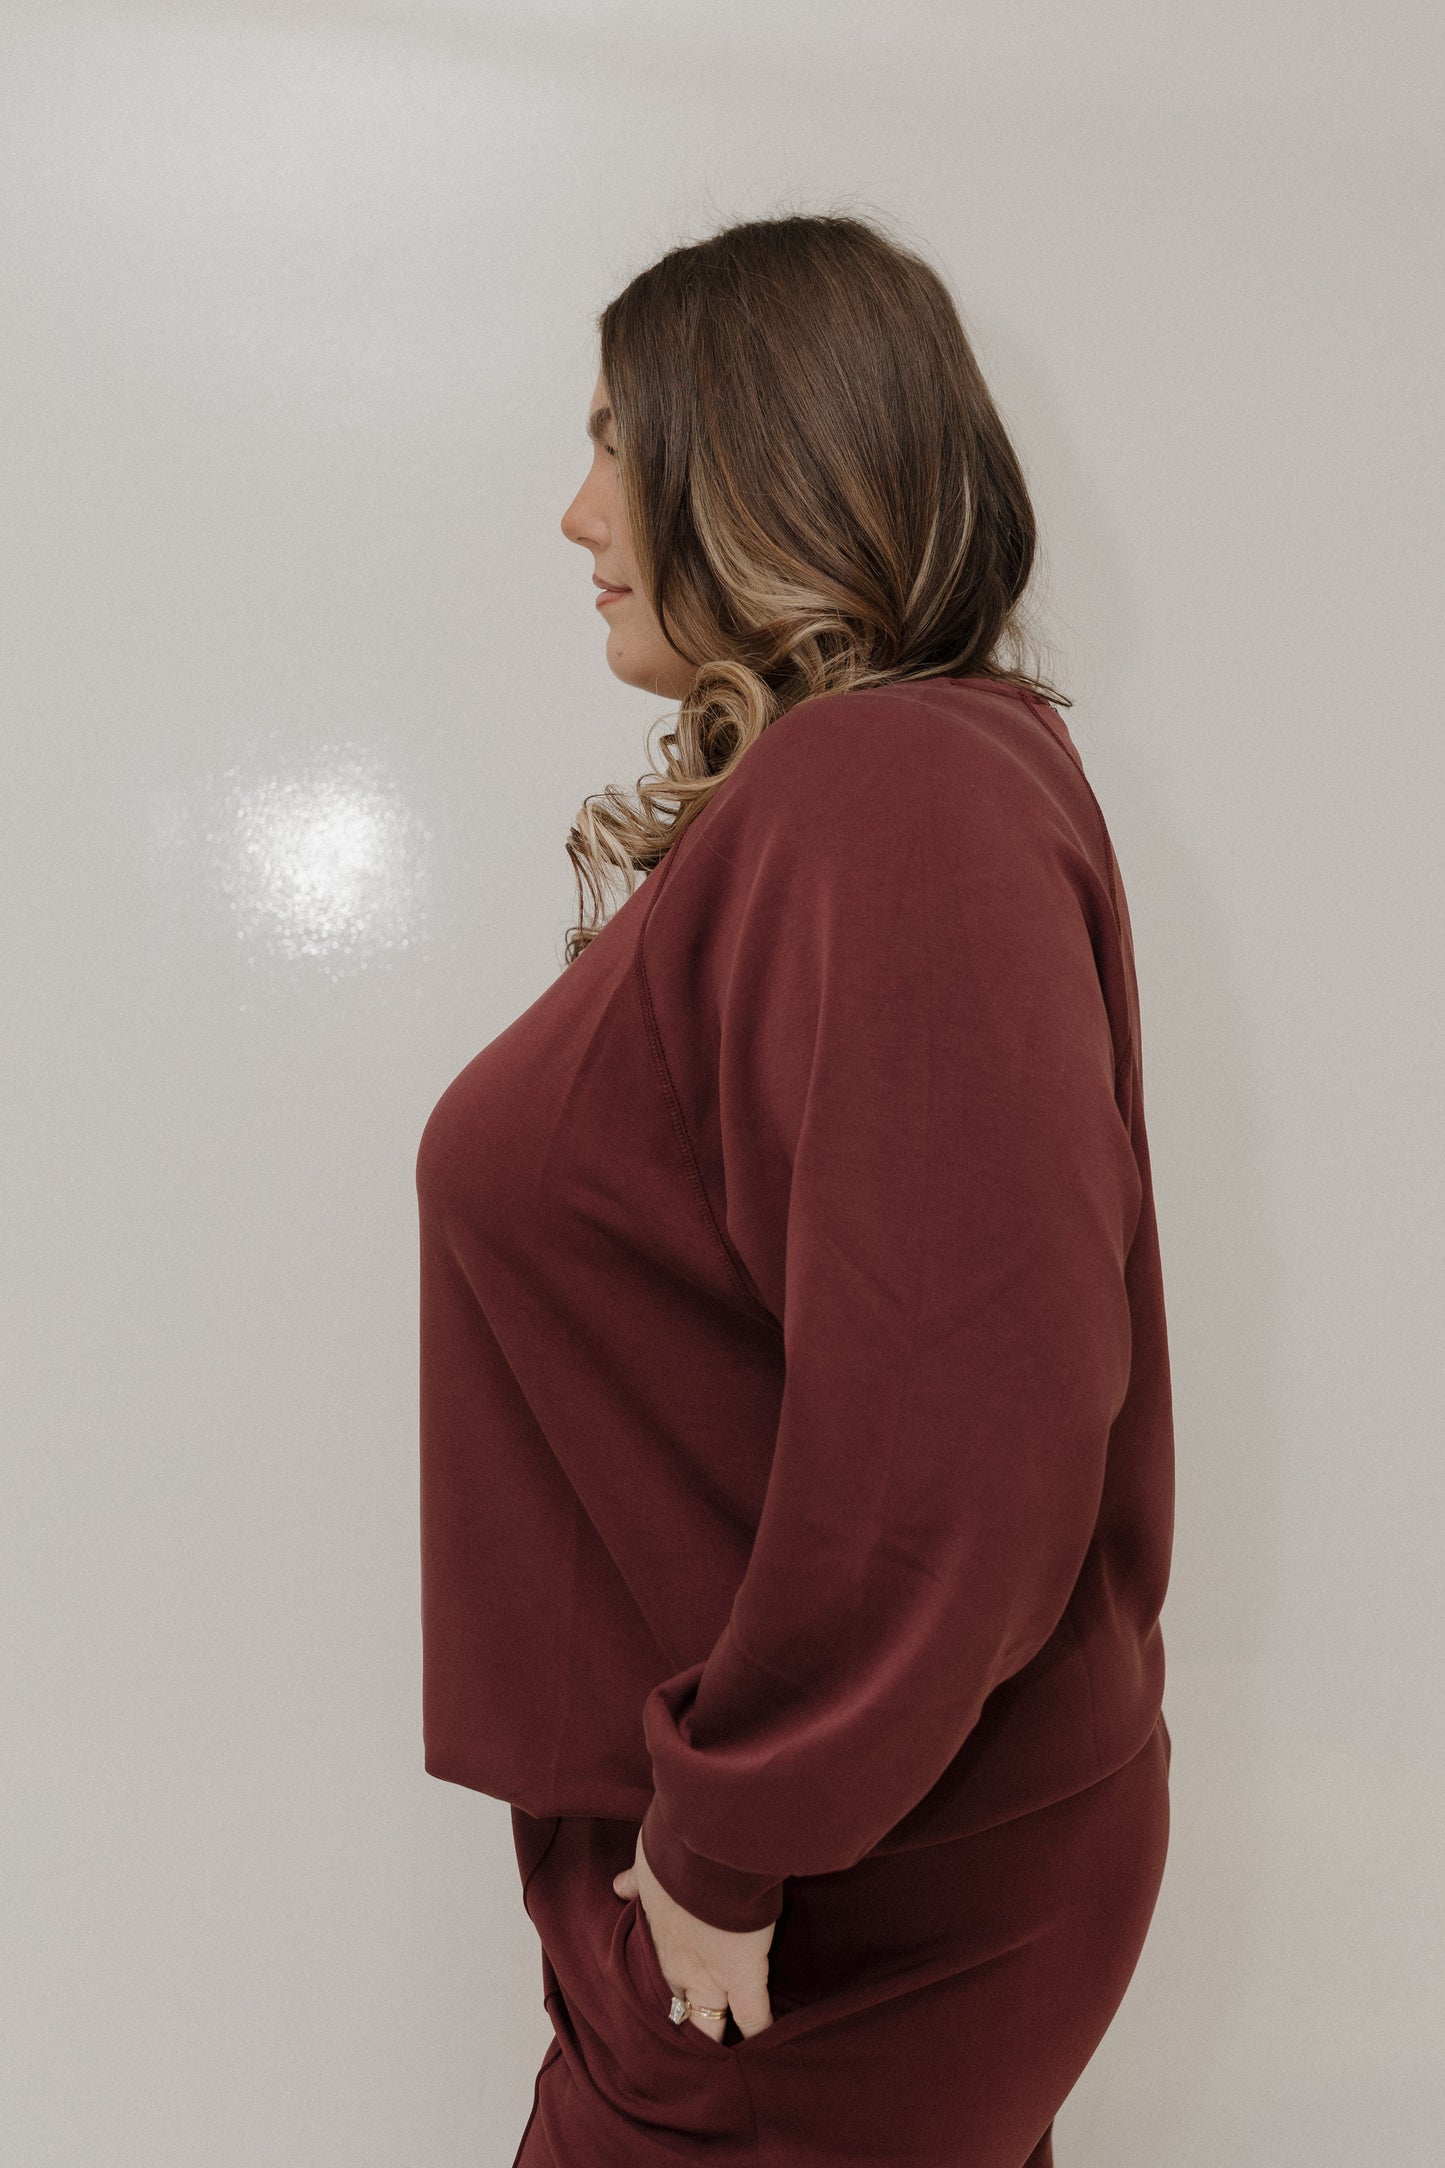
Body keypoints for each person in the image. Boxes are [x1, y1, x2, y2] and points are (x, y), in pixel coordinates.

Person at [415, 211, 1174, 2168]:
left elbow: (972, 1412)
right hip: (837, 1864)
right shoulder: (889, 793)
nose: (576, 513)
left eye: (614, 439)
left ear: (754, 466)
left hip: (829, 1893)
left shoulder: (890, 798)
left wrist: (736, 1834)